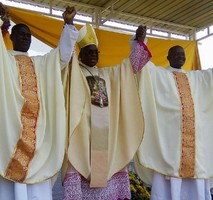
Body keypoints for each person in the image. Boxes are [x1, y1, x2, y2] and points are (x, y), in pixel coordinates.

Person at [62, 24, 151, 200]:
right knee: (77, 163)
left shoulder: (107, 74)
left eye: (96, 52)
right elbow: (64, 59)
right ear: (80, 54)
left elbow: (129, 68)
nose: (93, 55)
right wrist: (69, 27)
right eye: (88, 52)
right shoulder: (74, 73)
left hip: (107, 138)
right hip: (82, 135)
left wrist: (138, 41)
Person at [0, 4, 78, 200]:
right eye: (21, 34)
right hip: (11, 136)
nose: (25, 38)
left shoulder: (41, 63)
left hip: (40, 137)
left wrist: (68, 24)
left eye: (28, 35)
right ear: (11, 37)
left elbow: (61, 56)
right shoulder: (4, 61)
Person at [133, 41, 213, 199]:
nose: (180, 57)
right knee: (168, 180)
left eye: (182, 55)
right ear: (168, 57)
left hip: (195, 150)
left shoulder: (196, 77)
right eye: (176, 54)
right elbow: (143, 68)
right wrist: (139, 43)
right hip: (171, 146)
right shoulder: (160, 75)